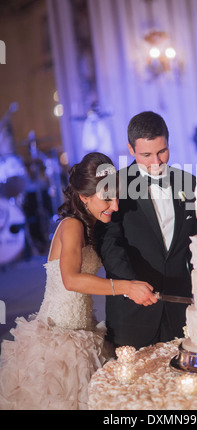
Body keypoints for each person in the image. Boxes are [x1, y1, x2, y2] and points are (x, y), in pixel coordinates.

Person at [0, 152, 156, 410]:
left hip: (85, 333)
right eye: (107, 199)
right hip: (59, 341)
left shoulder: (92, 227)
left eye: (116, 197)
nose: (115, 206)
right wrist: (126, 287)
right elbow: (71, 280)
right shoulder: (71, 225)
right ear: (84, 197)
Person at [100, 111, 197, 349]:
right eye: (146, 155)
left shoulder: (190, 182)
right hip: (134, 313)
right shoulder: (114, 185)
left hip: (183, 306)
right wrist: (131, 286)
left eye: (162, 151)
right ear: (130, 149)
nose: (156, 162)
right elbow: (109, 245)